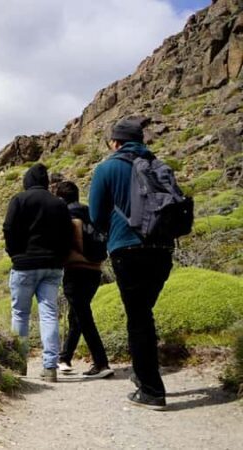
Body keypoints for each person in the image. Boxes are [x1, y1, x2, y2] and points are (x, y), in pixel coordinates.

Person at [89, 118, 174, 410]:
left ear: (115, 142)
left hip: (128, 249)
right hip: (163, 249)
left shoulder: (107, 168)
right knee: (144, 314)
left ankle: (151, 390)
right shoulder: (159, 166)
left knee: (138, 318)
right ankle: (142, 375)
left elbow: (97, 216)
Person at [2, 163, 72, 382]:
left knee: (20, 314)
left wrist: (15, 254)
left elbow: (8, 228)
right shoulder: (59, 204)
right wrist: (59, 257)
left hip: (24, 264)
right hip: (52, 266)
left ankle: (19, 365)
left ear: (27, 181)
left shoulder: (19, 200)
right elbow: (67, 234)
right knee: (49, 313)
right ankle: (50, 367)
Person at [54, 181, 113, 379]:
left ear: (60, 197)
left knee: (84, 317)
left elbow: (73, 238)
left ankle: (102, 363)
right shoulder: (90, 213)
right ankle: (65, 358)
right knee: (77, 315)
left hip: (76, 270)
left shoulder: (69, 215)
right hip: (95, 271)